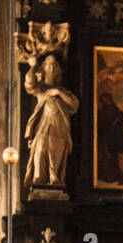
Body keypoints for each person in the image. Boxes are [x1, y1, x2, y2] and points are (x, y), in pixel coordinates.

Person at [23, 52, 79, 191]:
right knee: (40, 149)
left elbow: (74, 104)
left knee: (56, 155)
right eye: (49, 65)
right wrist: (33, 66)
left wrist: (58, 93)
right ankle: (39, 180)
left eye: (55, 65)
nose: (52, 68)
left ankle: (55, 180)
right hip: (44, 127)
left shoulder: (63, 91)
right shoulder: (40, 88)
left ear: (59, 71)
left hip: (59, 129)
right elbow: (29, 83)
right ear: (44, 69)